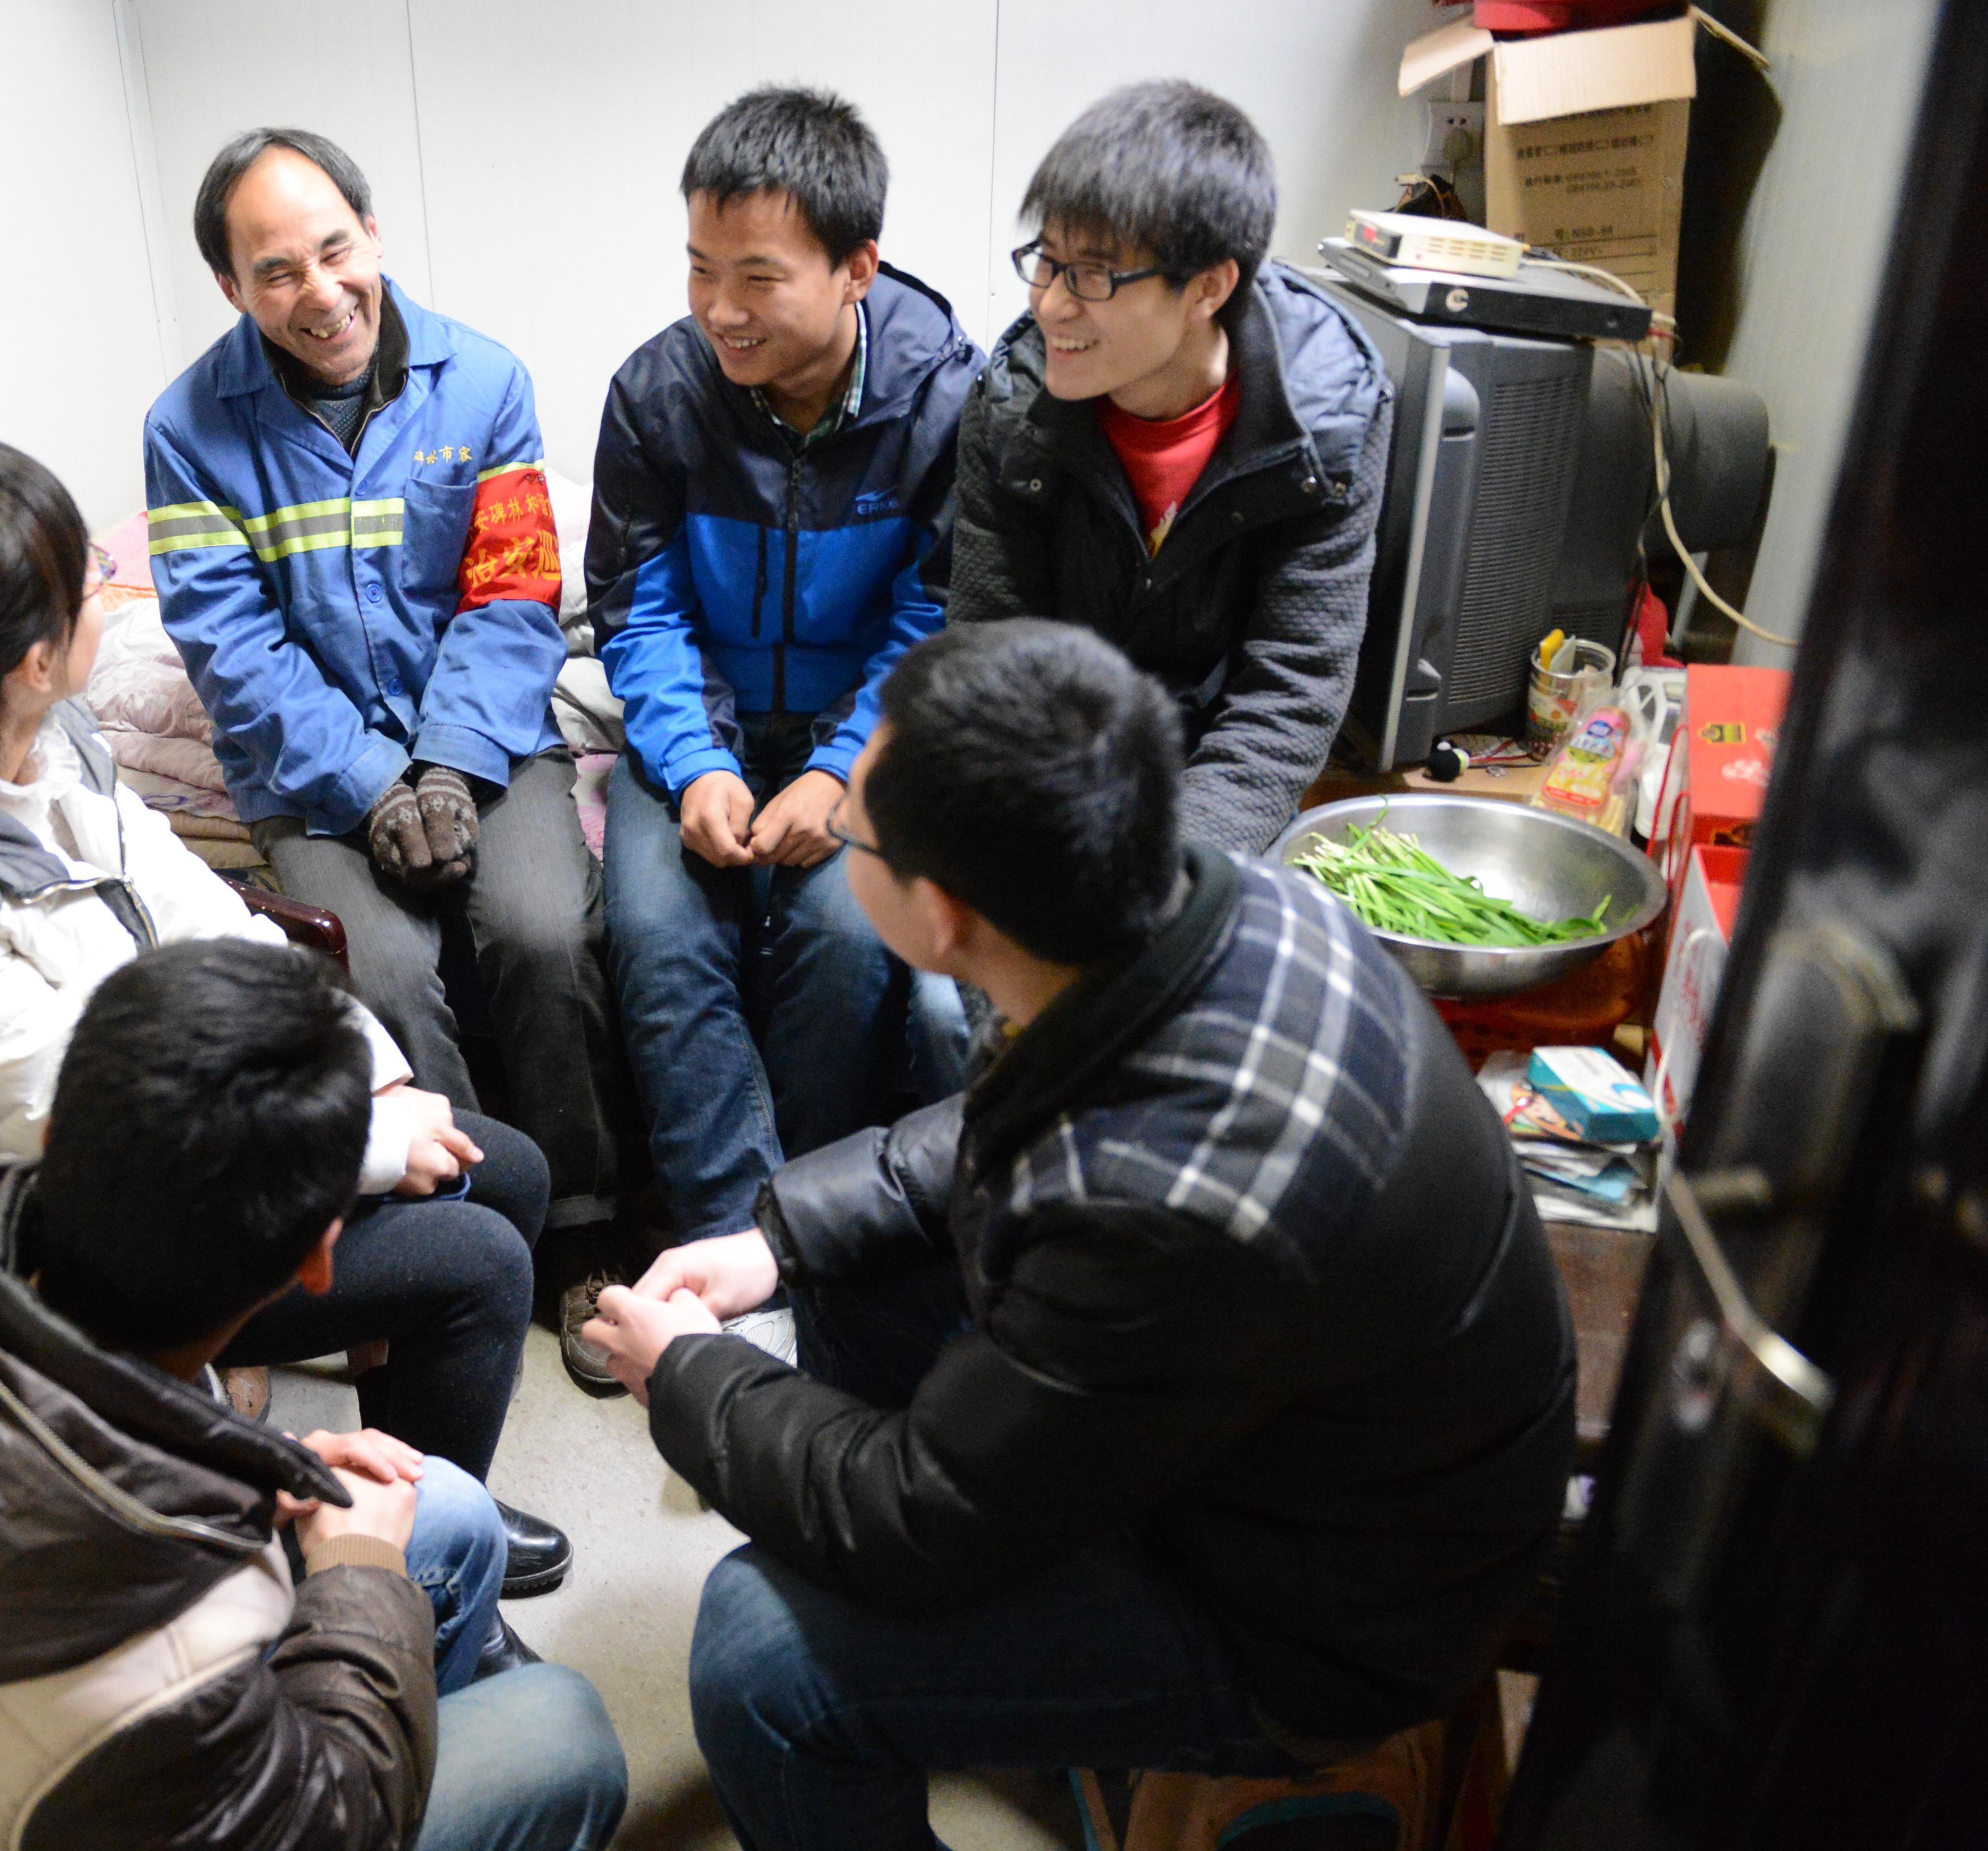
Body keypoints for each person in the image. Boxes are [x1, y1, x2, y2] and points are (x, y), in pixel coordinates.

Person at [582, 622, 1575, 1851]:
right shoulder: (1216, 901)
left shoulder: (1161, 1203)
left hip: (1331, 1620)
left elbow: (915, 1512)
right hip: (1293, 1449)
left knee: (763, 1656)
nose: (836, 836)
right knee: (850, 1271)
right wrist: (777, 1240)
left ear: (944, 915)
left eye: (854, 833)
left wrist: (688, 1375)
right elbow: (1022, 1109)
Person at [0, 438, 572, 1591]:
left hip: (153, 1128)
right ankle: (398, 1567)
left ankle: (413, 1487)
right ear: (34, 660)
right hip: (46, 1244)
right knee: (476, 1258)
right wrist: (367, 1140)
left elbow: (198, 908)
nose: (107, 594)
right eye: (89, 585)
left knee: (506, 1170)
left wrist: (366, 1073)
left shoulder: (34, 736)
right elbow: (92, 1139)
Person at [0, 939, 628, 1850]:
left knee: (447, 1511)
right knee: (561, 1731)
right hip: (100, 1761)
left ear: (59, 1133)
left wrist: (246, 1467)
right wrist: (359, 1580)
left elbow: (38, 1443)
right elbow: (332, 1820)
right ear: (319, 1257)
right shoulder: (183, 1645)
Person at [144, 127, 621, 1238]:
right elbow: (230, 644)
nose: (321, 293)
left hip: (488, 741)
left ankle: (584, 1219)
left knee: (546, 931)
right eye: (277, 272)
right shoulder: (186, 430)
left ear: (372, 234)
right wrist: (369, 785)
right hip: (311, 773)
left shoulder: (485, 383)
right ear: (231, 287)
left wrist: (449, 766)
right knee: (380, 970)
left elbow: (513, 592)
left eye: (334, 250)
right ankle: (472, 1230)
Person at [575, 87, 977, 1392]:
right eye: (700, 268)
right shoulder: (656, 394)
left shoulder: (946, 401)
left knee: (845, 935)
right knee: (656, 926)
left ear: (857, 267)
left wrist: (838, 769)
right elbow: (638, 606)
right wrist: (694, 760)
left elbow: (934, 615)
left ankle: (801, 1236)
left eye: (757, 276)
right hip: (699, 731)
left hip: (863, 743)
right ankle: (727, 1274)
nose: (720, 308)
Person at [949, 81, 1394, 854]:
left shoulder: (1328, 423)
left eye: (1093, 274)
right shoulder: (1013, 405)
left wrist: (1167, 870)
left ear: (1208, 288)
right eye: (1047, 261)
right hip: (1056, 773)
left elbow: (1291, 690)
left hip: (1222, 792)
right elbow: (995, 654)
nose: (1051, 305)